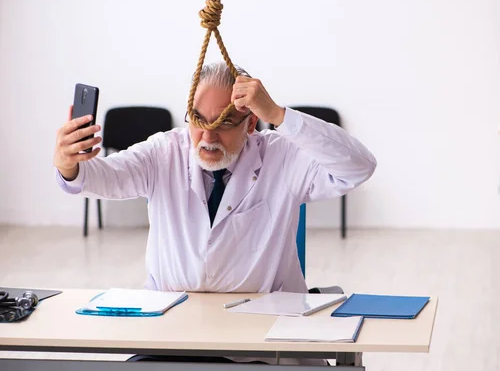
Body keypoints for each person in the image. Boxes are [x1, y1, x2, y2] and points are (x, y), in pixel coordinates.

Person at [53, 61, 377, 364]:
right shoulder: (165, 151)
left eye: (222, 125)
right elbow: (100, 177)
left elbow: (358, 167)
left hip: (264, 342)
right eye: (198, 121)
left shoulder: (283, 156)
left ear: (251, 122)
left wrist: (280, 115)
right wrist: (69, 164)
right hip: (172, 337)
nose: (207, 138)